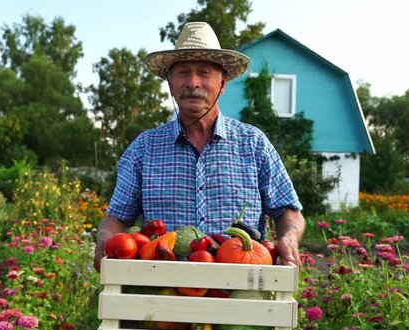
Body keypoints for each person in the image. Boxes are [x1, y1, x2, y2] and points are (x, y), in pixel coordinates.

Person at [94, 22, 305, 273]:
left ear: (223, 83)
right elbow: (118, 217)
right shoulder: (144, 149)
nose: (193, 82)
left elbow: (288, 211)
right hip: (162, 290)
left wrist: (289, 238)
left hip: (242, 290)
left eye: (204, 72)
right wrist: (106, 237)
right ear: (170, 84)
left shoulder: (253, 143)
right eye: (182, 73)